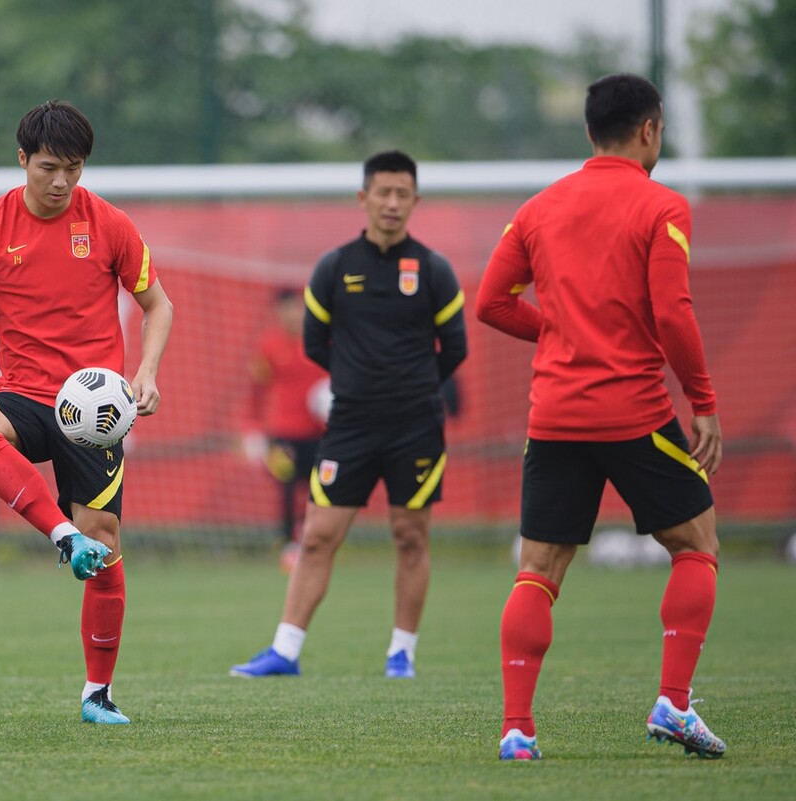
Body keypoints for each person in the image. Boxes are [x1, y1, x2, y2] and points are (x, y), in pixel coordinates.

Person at [475, 73, 725, 761]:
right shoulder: (661, 204)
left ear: (590, 132)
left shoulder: (539, 208)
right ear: (651, 129)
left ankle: (517, 730)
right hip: (635, 411)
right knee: (696, 542)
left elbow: (492, 303)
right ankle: (673, 703)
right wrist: (702, 400)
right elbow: (673, 312)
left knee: (539, 570)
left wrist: (558, 334)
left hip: (554, 416)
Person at [0, 100, 173, 725]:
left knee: (107, 548)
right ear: (22, 159)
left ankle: (97, 695)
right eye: (50, 167)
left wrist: (146, 372)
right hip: (27, 397)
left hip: (96, 407)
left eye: (74, 169)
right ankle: (61, 535)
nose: (61, 182)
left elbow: (157, 305)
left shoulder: (107, 223)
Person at [230, 150, 467, 680]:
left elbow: (453, 348)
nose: (391, 202)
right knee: (318, 534)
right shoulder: (335, 267)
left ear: (415, 201)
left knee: (410, 534)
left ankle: (401, 652)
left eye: (402, 194)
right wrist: (360, 381)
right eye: (382, 192)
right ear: (364, 198)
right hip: (351, 426)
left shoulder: (434, 269)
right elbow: (315, 343)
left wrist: (407, 386)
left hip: (416, 427)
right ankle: (285, 651)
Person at [242, 287, 327, 572]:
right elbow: (256, 390)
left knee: (319, 488)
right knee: (287, 487)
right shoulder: (268, 346)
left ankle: (316, 539)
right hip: (283, 432)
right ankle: (288, 544)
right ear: (278, 313)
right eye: (286, 309)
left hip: (318, 432)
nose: (292, 314)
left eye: (296, 308)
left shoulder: (319, 344)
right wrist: (253, 429)